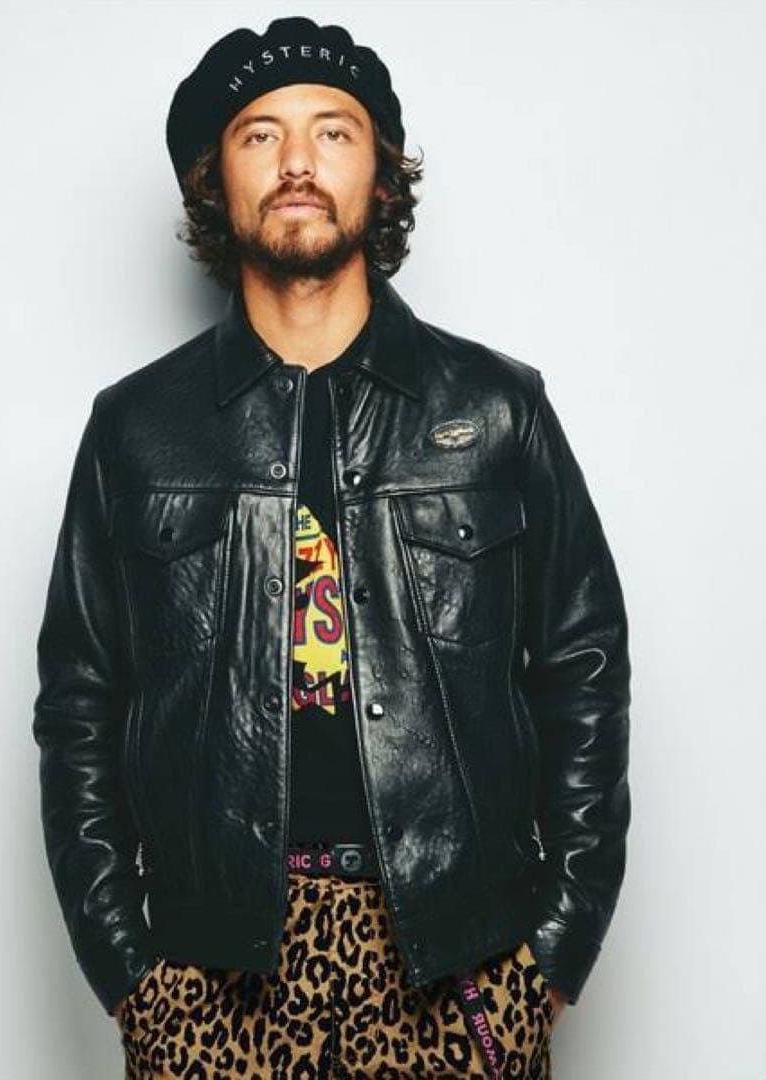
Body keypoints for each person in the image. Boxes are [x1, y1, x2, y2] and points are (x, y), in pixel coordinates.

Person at [32, 15, 631, 1078]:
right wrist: (131, 976)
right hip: (212, 976)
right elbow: (80, 702)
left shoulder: (496, 410)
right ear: (215, 179)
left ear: (381, 176)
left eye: (334, 133)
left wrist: (553, 953)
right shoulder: (138, 429)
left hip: (460, 959)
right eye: (260, 135)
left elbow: (583, 671)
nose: (298, 162)